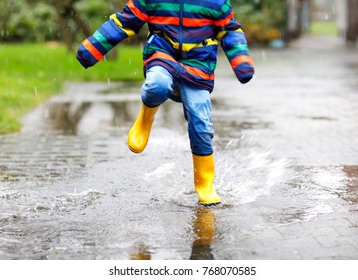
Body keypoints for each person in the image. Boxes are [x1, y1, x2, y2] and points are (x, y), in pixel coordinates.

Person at [76, 0, 254, 206]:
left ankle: (204, 184)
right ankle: (145, 117)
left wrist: (241, 60)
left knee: (201, 123)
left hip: (198, 65)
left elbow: (230, 30)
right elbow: (124, 21)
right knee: (156, 85)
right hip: (162, 55)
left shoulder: (216, 2)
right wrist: (93, 47)